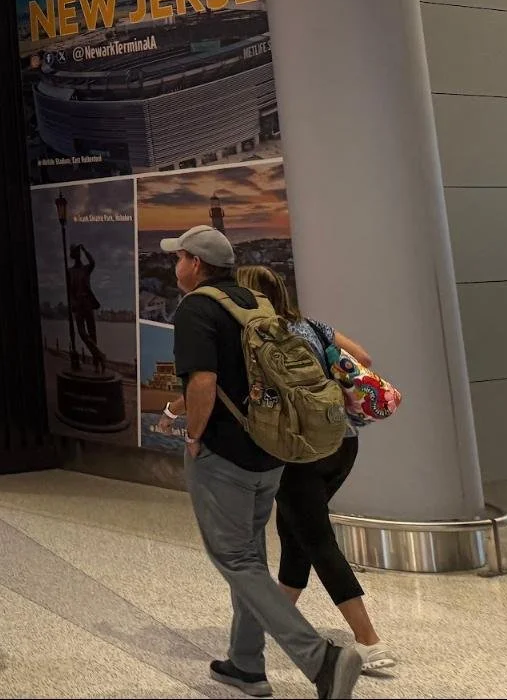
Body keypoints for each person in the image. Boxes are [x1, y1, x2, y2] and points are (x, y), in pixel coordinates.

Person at [161, 226, 360, 700]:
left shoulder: (196, 309)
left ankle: (320, 658)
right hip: (271, 450)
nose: (175, 265)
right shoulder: (257, 303)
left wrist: (193, 436)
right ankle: (246, 664)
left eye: (179, 257)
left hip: (224, 454)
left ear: (195, 263)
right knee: (250, 556)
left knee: (233, 558)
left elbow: (202, 383)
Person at [236, 265, 394, 676]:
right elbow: (363, 359)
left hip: (297, 449)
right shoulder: (313, 326)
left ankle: (369, 641)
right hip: (342, 442)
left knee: (316, 539)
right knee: (296, 531)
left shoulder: (254, 336)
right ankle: (278, 620)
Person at [66, 244, 106, 371]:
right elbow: (70, 291)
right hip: (78, 304)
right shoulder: (70, 271)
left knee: (92, 333)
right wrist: (73, 303)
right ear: (73, 255)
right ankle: (100, 355)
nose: (77, 254)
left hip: (88, 303)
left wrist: (85, 250)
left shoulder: (86, 269)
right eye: (75, 252)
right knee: (82, 333)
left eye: (78, 252)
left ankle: (97, 363)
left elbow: (93, 262)